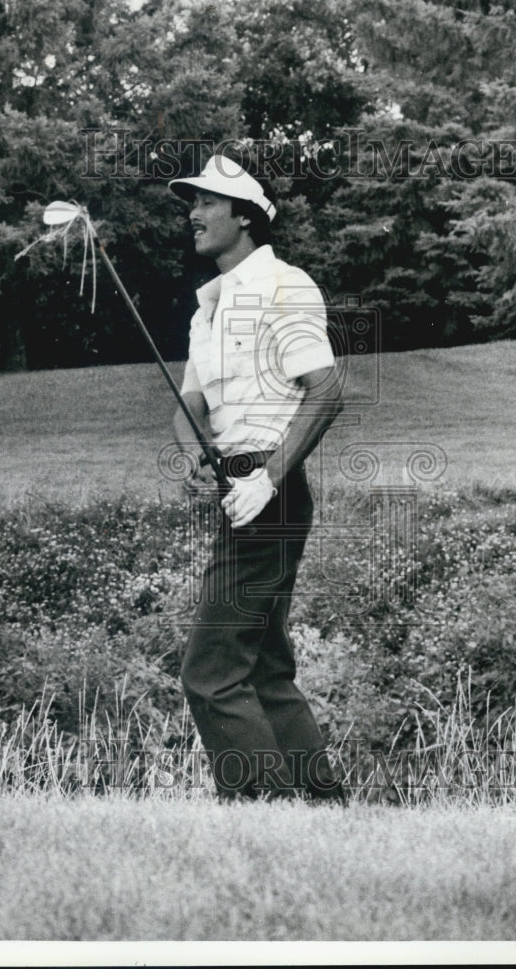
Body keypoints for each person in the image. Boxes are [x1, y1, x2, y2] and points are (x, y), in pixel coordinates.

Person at [169, 154, 345, 802]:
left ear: (244, 216)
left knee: (210, 671)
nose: (193, 214)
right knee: (264, 669)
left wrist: (267, 479)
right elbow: (188, 406)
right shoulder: (206, 308)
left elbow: (326, 392)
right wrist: (193, 450)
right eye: (191, 203)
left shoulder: (285, 286)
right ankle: (323, 810)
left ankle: (264, 810)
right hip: (236, 489)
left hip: (271, 490)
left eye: (207, 202)